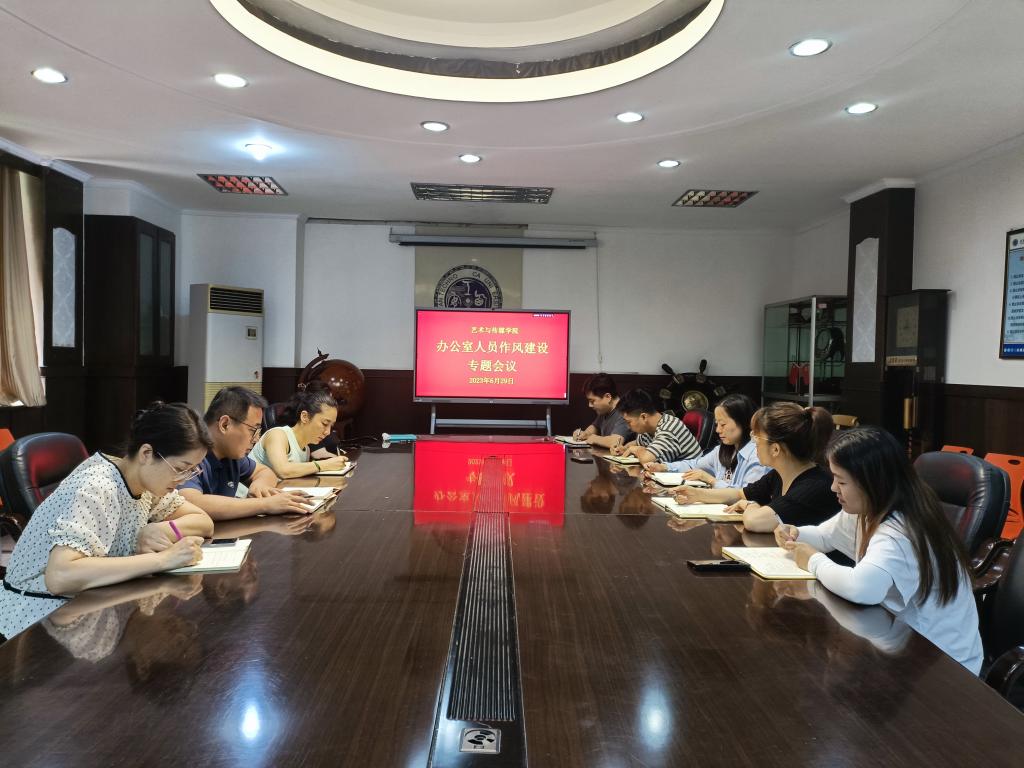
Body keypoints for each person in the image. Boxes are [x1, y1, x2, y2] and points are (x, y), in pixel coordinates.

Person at [0, 402, 215, 641]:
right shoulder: (98, 486)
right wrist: (163, 559)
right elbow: (60, 576)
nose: (183, 480)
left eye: (192, 471)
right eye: (180, 468)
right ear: (146, 454)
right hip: (37, 618)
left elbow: (204, 522)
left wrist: (158, 528)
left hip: (92, 600)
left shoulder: (146, 484)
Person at [776, 426, 982, 673]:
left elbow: (861, 588)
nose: (833, 488)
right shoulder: (869, 508)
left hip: (945, 665)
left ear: (871, 482)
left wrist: (813, 561)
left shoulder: (901, 530)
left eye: (841, 481)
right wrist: (795, 533)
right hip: (902, 644)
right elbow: (825, 536)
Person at [673, 401, 838, 532]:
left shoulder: (814, 486)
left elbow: (755, 521)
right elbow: (740, 493)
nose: (754, 442)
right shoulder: (779, 475)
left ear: (775, 449)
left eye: (757, 437)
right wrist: (697, 494)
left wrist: (750, 505)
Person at [178, 386, 312, 520]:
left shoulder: (230, 455)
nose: (256, 439)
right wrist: (265, 504)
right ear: (225, 424)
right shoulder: (189, 453)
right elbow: (190, 501)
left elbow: (264, 471)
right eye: (253, 430)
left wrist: (259, 485)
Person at [643, 394, 767, 489]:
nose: (718, 430)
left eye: (723, 424)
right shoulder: (723, 449)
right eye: (717, 424)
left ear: (744, 422)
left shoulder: (758, 455)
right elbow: (695, 464)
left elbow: (748, 496)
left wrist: (710, 480)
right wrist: (663, 467)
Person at [250, 387, 349, 478]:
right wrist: (324, 465)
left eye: (331, 426)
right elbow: (283, 471)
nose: (328, 432)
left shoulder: (306, 449)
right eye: (324, 423)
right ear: (305, 417)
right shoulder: (277, 435)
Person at [609, 389, 701, 464]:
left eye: (628, 422)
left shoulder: (669, 428)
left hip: (692, 477)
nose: (628, 427)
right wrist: (624, 448)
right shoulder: (648, 427)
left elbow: (647, 460)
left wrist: (634, 450)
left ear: (643, 417)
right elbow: (637, 443)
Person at [571, 373, 634, 449]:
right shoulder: (604, 411)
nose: (590, 405)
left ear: (608, 397)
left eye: (592, 401)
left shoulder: (624, 413)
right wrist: (584, 434)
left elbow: (615, 442)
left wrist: (593, 438)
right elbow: (595, 427)